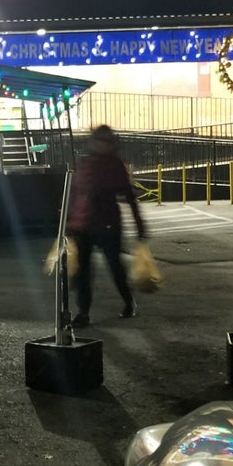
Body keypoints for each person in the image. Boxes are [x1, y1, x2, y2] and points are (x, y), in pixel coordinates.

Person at [66, 125, 145, 326]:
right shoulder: (86, 163)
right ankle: (83, 313)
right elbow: (75, 194)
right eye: (99, 140)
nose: (101, 144)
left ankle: (128, 301)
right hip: (85, 225)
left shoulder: (112, 165)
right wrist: (69, 221)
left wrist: (139, 224)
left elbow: (128, 195)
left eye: (105, 141)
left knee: (114, 267)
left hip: (106, 224)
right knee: (85, 271)